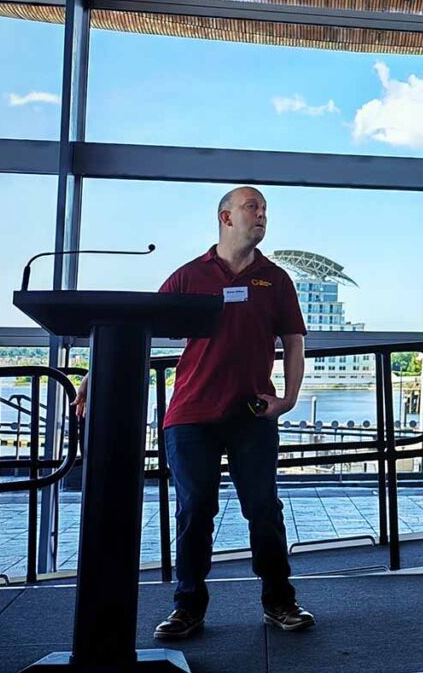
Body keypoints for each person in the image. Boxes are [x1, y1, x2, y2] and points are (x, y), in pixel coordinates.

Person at [73, 186, 313, 640]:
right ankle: (188, 608)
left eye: (264, 209)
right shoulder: (189, 276)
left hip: (252, 413)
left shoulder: (275, 279)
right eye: (252, 207)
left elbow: (294, 342)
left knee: (263, 508)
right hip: (190, 416)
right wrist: (91, 380)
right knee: (195, 509)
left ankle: (280, 601)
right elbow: (136, 327)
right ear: (226, 218)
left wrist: (289, 398)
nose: (262, 215)